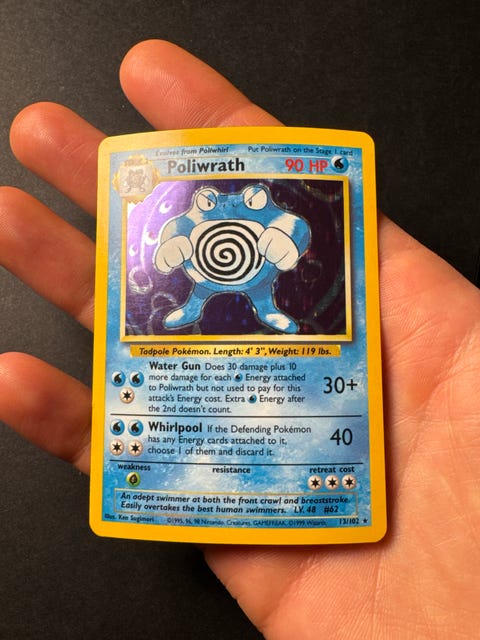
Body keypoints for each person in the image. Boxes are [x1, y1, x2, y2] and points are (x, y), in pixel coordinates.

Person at [0, 40, 478, 639]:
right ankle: (194, 308)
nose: (227, 204)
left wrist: (281, 237)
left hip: (257, 278)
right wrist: (177, 243)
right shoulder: (194, 215)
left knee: (262, 300)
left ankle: (261, 311)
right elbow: (174, 233)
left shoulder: (268, 213)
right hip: (204, 276)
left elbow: (294, 227)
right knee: (197, 298)